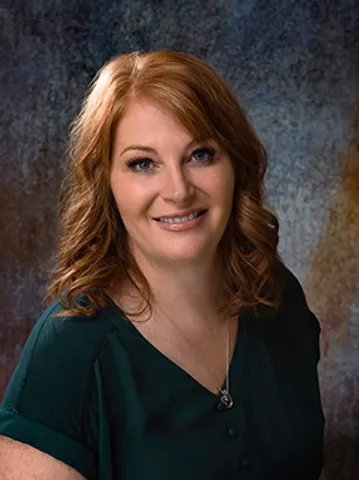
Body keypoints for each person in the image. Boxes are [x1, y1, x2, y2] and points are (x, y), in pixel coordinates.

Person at [0, 50, 326, 480]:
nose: (178, 190)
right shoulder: (69, 351)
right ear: (106, 184)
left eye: (200, 155)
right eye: (143, 164)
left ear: (235, 164)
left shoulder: (277, 296)